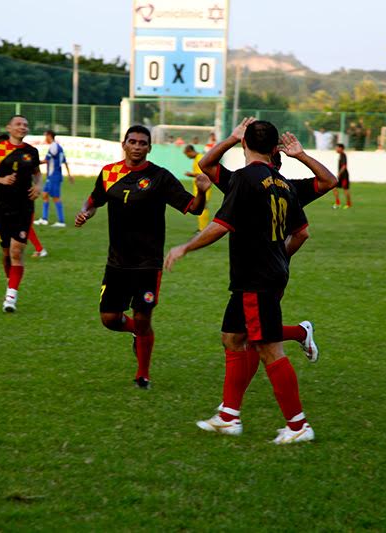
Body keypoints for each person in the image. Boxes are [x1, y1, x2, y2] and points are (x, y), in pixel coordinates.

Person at [165, 120, 315, 445]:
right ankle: (229, 416)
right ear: (276, 148)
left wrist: (185, 247)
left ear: (244, 143)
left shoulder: (245, 179)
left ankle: (298, 425)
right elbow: (301, 232)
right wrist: (281, 256)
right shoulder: (283, 184)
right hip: (264, 273)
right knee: (233, 338)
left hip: (256, 277)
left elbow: (220, 224)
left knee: (268, 348)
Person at [75, 125, 209, 389]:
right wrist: (85, 213)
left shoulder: (159, 177)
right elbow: (92, 201)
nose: (137, 146)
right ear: (123, 144)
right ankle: (136, 333)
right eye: (132, 142)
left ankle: (143, 374)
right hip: (117, 262)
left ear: (149, 148)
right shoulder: (109, 173)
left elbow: (193, 208)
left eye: (142, 143)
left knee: (144, 317)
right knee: (109, 319)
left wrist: (202, 191)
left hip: (148, 263)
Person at [0, 115, 42, 312]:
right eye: (19, 124)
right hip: (2, 208)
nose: (23, 127)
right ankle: (10, 280)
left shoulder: (32, 152)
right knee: (6, 253)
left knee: (16, 251)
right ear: (9, 127)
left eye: (26, 124)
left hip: (24, 208)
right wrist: (1, 180)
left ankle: (10, 297)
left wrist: (38, 187)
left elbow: (37, 175)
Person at [35, 130, 74, 227]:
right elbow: (64, 161)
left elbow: (46, 161)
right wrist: (69, 175)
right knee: (44, 195)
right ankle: (44, 219)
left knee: (56, 198)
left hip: (54, 176)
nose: (45, 139)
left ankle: (61, 221)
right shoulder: (59, 147)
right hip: (52, 176)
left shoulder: (53, 147)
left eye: (45, 136)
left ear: (49, 136)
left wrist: (33, 162)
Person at [183, 144, 212, 231]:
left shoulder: (200, 158)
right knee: (201, 207)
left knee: (203, 207)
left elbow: (203, 174)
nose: (187, 156)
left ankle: (203, 229)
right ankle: (201, 228)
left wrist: (191, 174)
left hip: (204, 186)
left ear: (190, 151)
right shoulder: (197, 158)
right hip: (199, 187)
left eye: (186, 154)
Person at [332, 143, 352, 209]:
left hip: (344, 176)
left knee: (345, 190)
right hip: (341, 176)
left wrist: (339, 173)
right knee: (334, 188)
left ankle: (348, 204)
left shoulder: (343, 155)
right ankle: (338, 203)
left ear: (341, 148)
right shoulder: (340, 155)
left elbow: (344, 166)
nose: (336, 149)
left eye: (337, 148)